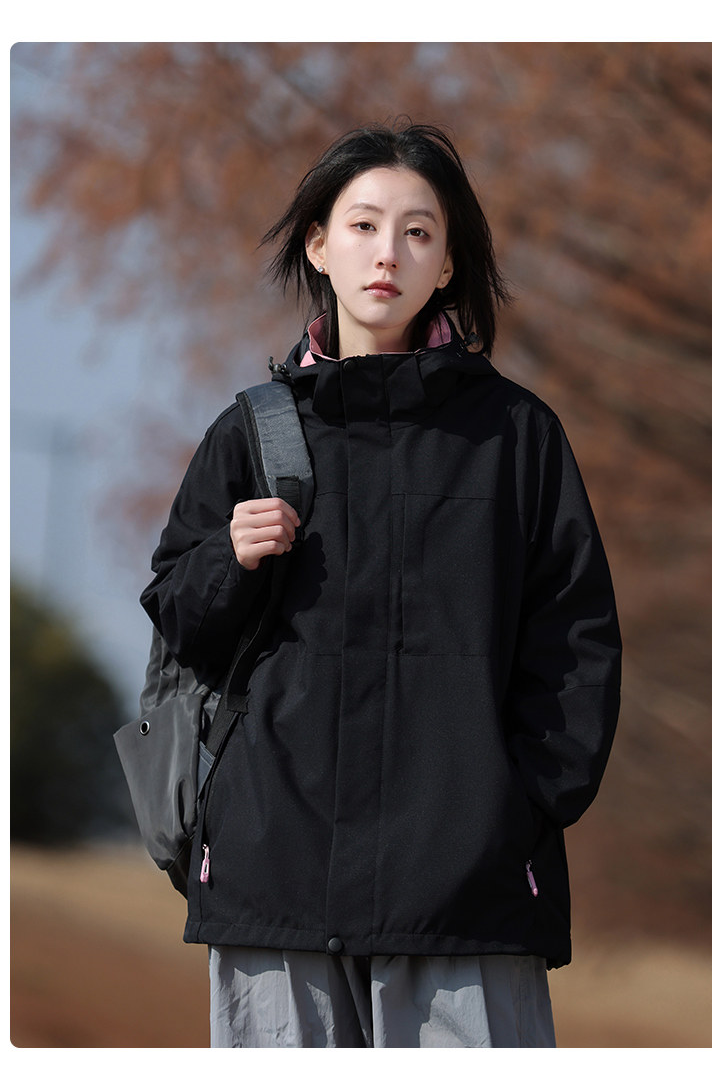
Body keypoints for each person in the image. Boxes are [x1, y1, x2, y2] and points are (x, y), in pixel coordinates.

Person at [140, 120, 621, 1048]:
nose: (387, 254)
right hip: (274, 884)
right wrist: (228, 559)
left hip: (466, 898)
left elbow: (577, 642)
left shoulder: (517, 436)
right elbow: (180, 629)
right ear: (319, 245)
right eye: (362, 226)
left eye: (417, 231)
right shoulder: (249, 433)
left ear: (448, 263)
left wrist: (514, 810)